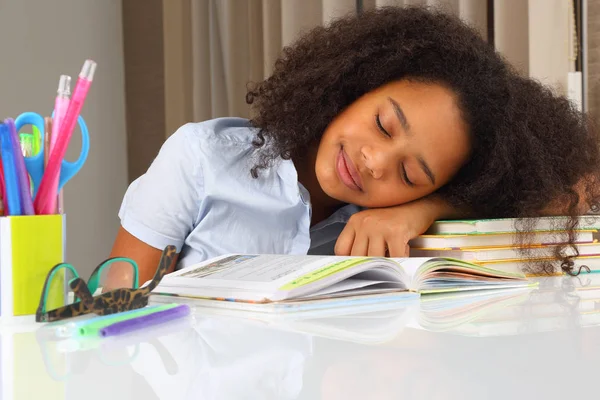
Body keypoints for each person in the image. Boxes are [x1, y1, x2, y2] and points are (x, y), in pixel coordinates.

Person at [108, 6, 600, 287]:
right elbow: (110, 312)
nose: (375, 161)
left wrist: (425, 208)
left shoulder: (391, 222)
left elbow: (566, 191)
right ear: (356, 86)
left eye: (410, 175)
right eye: (384, 124)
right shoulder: (202, 159)